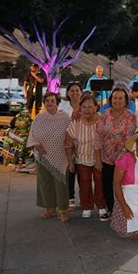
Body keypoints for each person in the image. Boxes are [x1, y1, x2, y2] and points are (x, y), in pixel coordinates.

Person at [27, 92, 71, 222]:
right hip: (43, 156)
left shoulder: (65, 117)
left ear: (57, 102)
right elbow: (32, 136)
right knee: (45, 183)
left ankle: (62, 210)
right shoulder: (38, 119)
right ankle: (49, 208)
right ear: (44, 103)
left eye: (52, 100)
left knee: (61, 184)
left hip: (61, 156)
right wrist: (38, 147)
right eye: (47, 101)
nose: (50, 103)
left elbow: (71, 134)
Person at [65, 94, 109, 220]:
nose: (87, 109)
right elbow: (68, 144)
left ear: (96, 107)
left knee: (100, 182)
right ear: (80, 108)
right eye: (84, 107)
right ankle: (86, 206)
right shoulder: (75, 123)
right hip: (82, 158)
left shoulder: (103, 120)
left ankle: (101, 206)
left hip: (99, 158)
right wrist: (70, 161)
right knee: (84, 184)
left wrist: (100, 160)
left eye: (90, 106)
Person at [95, 88, 136, 215]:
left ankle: (123, 210)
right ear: (111, 99)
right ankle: (111, 210)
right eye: (115, 98)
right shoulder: (104, 115)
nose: (117, 101)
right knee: (107, 185)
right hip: (106, 157)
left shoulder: (131, 117)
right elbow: (98, 137)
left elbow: (131, 139)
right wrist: (97, 159)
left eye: (120, 98)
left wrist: (128, 158)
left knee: (124, 186)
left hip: (124, 158)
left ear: (126, 101)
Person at [58, 81, 83, 210]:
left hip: (83, 144)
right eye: (72, 91)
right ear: (67, 93)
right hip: (67, 143)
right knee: (70, 171)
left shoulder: (86, 106)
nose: (75, 93)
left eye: (77, 90)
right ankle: (70, 198)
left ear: (81, 92)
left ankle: (84, 198)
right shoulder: (62, 107)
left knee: (83, 172)